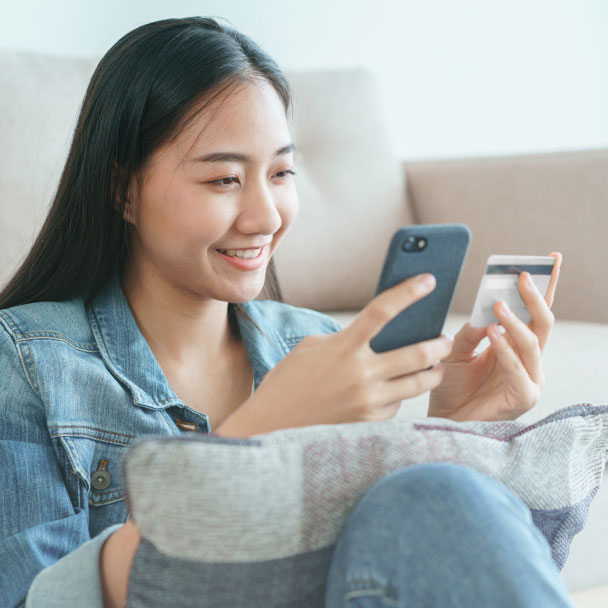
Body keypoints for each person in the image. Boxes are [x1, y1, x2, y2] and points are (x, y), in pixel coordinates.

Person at [0, 16, 571, 608]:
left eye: (281, 173)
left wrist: (455, 433)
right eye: (224, 178)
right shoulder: (27, 365)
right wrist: (256, 435)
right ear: (123, 190)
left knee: (437, 490)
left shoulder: (323, 345)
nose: (266, 216)